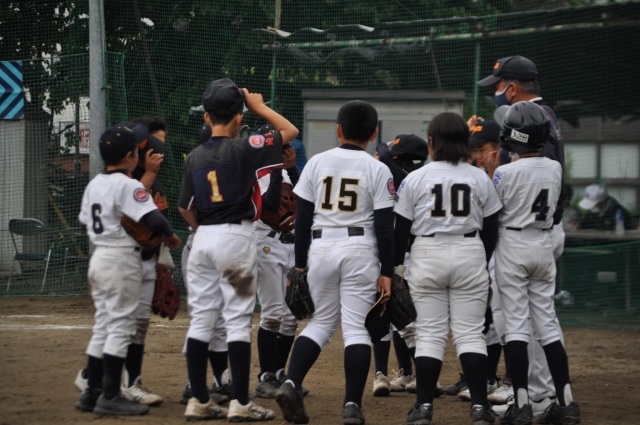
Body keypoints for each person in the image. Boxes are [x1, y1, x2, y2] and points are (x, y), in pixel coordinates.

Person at [178, 78, 298, 421]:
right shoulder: (246, 147)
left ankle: (199, 400)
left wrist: (205, 230)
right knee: (236, 321)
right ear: (239, 118)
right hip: (236, 237)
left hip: (203, 240)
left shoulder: (194, 156)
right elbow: (289, 131)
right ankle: (241, 403)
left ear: (206, 117)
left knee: (202, 318)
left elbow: (184, 208)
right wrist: (259, 106)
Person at [274, 100, 394, 425]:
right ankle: (352, 405)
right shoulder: (377, 168)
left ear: (338, 130)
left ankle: (290, 383)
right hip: (360, 248)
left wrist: (300, 264)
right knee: (356, 329)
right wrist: (387, 271)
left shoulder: (316, 162)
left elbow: (302, 219)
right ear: (374, 134)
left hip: (321, 246)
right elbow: (385, 227)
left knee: (320, 323)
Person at [393, 112, 502, 425]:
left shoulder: (416, 178)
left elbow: (401, 231)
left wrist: (398, 269)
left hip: (427, 252)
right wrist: (481, 261)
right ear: (465, 141)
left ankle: (424, 407)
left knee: (430, 335)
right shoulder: (479, 177)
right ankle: (480, 408)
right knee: (470, 335)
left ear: (431, 141)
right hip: (469, 250)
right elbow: (491, 228)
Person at [478, 55, 571, 419]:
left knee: (516, 323)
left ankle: (535, 397)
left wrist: (493, 170)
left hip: (517, 237)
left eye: (500, 86)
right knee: (543, 321)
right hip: (543, 233)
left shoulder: (530, 123)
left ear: (513, 87)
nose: (497, 93)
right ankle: (555, 399)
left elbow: (499, 199)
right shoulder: (546, 119)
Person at [75, 123, 180, 415]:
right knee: (122, 326)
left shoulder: (95, 184)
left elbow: (84, 223)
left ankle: (91, 393)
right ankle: (110, 396)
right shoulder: (128, 184)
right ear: (130, 156)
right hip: (122, 260)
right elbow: (155, 219)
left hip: (100, 258)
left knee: (103, 325)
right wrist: (171, 237)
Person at [492, 101, 581, 425]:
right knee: (547, 323)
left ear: (514, 136)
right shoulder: (554, 167)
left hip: (513, 245)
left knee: (516, 326)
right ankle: (566, 402)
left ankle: (522, 404)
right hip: (543, 244)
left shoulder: (505, 171)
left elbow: (493, 212)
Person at [179, 123, 232, 407]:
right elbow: (184, 207)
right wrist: (203, 231)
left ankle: (216, 382)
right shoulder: (223, 167)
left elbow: (183, 207)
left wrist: (201, 231)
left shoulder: (195, 163)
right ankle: (197, 384)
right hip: (211, 247)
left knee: (211, 318)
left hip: (201, 246)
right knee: (211, 318)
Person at [371, 134, 427, 397]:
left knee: (406, 316)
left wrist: (382, 151)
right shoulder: (393, 175)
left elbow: (383, 154)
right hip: (391, 252)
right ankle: (402, 372)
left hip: (408, 255)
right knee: (391, 313)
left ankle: (419, 374)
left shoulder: (412, 177)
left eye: (394, 154)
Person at [252, 123, 306, 398]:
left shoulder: (284, 170)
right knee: (273, 313)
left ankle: (279, 372)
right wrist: (276, 168)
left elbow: (304, 198)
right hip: (266, 244)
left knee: (291, 317)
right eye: (276, 146)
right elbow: (271, 205)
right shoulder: (256, 172)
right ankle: (265, 376)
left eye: (282, 146)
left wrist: (291, 167)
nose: (281, 151)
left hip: (290, 245)